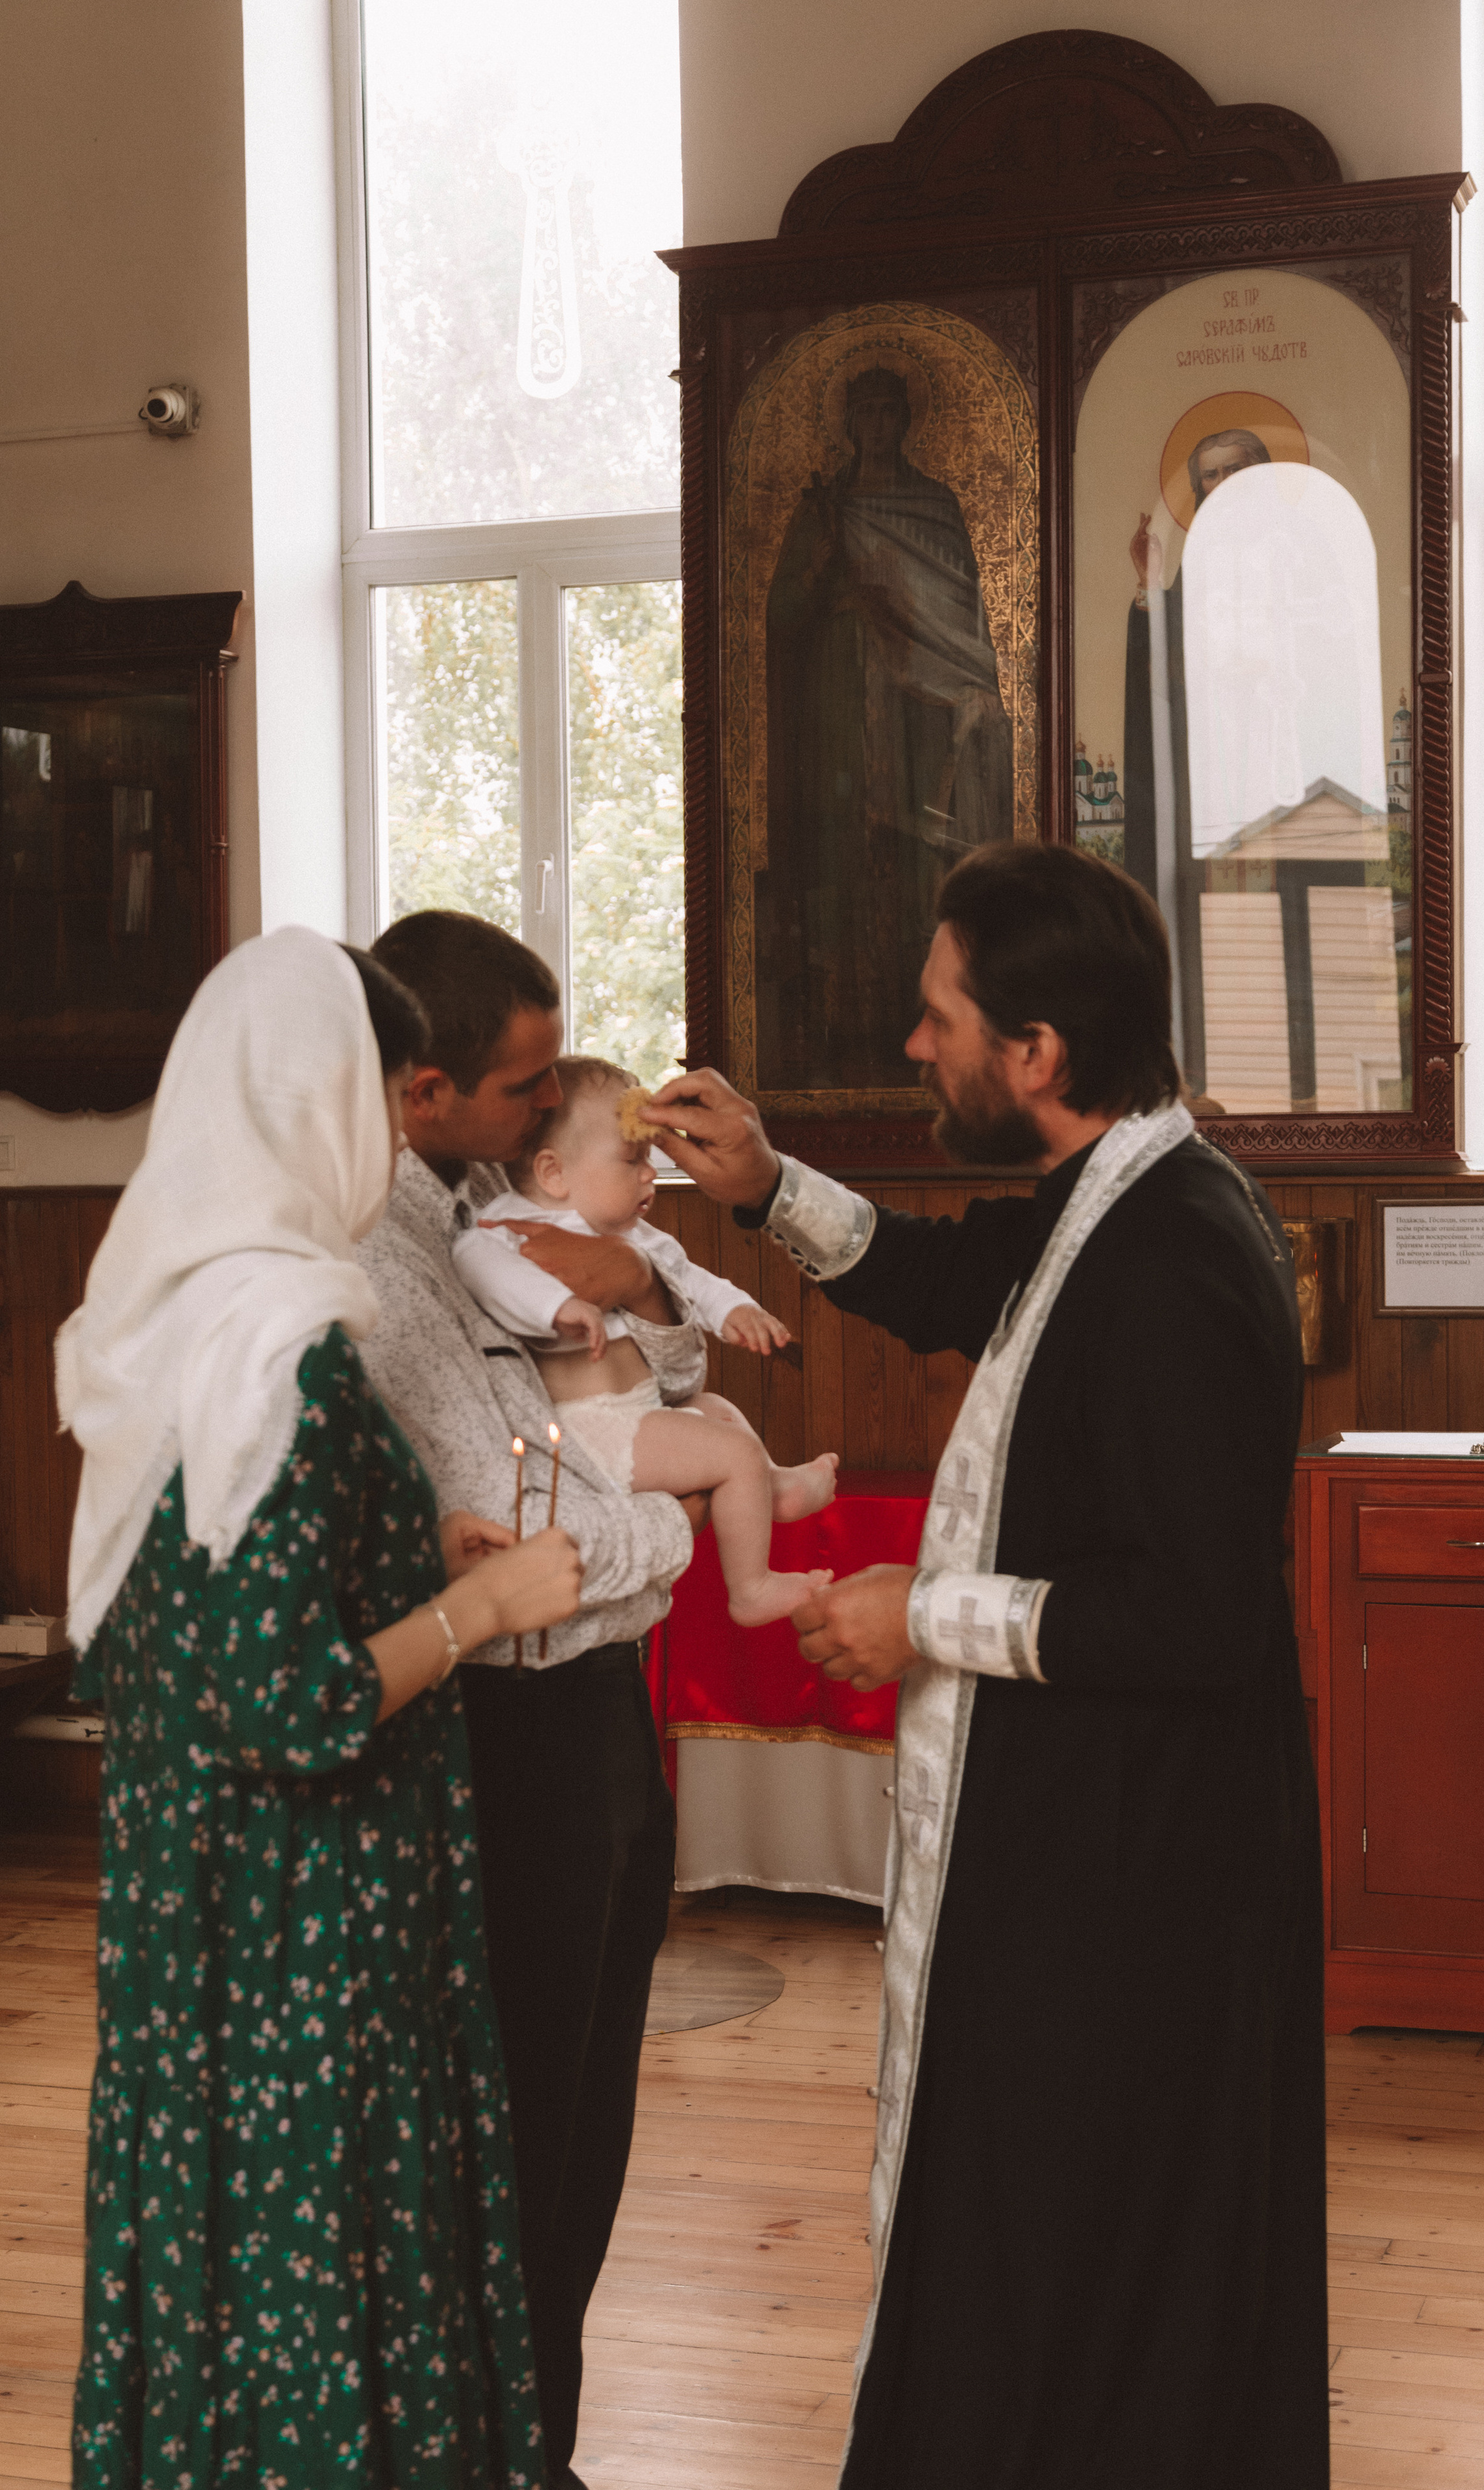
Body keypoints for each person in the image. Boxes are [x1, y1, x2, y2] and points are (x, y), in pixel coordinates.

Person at [645, 842, 1327, 2489]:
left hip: (1134, 1878)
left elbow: (1191, 1615)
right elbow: (959, 1279)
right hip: (1093, 1850)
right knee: (1036, 2242)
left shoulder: (1170, 1259)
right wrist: (762, 1185)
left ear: (1035, 1054)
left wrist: (922, 1612)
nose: (913, 1044)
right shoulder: (1115, 1197)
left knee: (1079, 2262)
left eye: (939, 1017)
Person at [59, 925, 581, 2489]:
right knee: (314, 2254)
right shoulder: (281, 1343)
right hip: (305, 1924)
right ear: (325, 1100)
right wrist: (474, 1607)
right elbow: (281, 1702)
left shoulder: (174, 1310)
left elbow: (201, 1591)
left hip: (193, 1907)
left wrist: (399, 1544)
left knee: (220, 2245)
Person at [354, 913, 701, 2490]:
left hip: (602, 1711)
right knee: (519, 2115)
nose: (548, 1105)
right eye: (520, 1085)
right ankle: (497, 2441)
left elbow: (664, 1389)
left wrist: (633, 1296)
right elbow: (519, 1519)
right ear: (421, 1087)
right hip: (505, 1733)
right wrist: (674, 1527)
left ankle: (536, 2431)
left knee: (590, 2101)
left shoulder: (494, 1209)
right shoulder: (377, 1261)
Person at [453, 1054, 840, 1627]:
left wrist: (737, 1310)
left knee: (718, 1411)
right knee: (732, 1455)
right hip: (592, 1428)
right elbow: (479, 1265)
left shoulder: (633, 1236)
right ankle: (751, 1588)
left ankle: (774, 1485)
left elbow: (691, 1279)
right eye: (632, 1161)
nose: (649, 1175)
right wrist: (554, 1308)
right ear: (554, 1172)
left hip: (639, 1412)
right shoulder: (505, 1224)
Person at [762, 361, 1014, 1090]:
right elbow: (780, 614)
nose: (877, 425)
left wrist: (966, 681)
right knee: (847, 857)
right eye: (864, 411)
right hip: (840, 699)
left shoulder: (934, 504)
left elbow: (962, 616)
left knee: (915, 861)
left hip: (921, 707)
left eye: (888, 411)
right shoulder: (824, 506)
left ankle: (927, 1019)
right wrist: (823, 573)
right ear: (848, 422)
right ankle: (846, 1029)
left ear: (906, 420)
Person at [1125, 424, 1273, 1089]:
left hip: (1271, 759)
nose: (1220, 486)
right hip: (1208, 768)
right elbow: (1164, 668)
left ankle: (1272, 1058)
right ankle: (1205, 1064)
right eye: (1209, 476)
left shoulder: (1289, 555)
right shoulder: (1200, 561)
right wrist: (1151, 585)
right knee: (1203, 903)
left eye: (1235, 470)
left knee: (1268, 904)